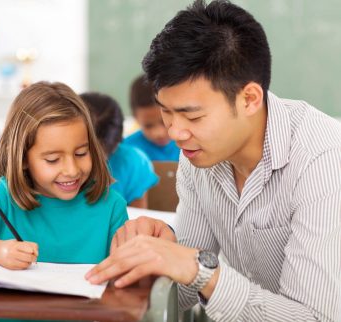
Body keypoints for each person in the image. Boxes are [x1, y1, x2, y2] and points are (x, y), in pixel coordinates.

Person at [85, 1, 341, 321]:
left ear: (249, 99)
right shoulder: (201, 155)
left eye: (192, 115)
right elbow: (186, 291)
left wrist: (197, 269)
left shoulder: (325, 161)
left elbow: (316, 318)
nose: (176, 132)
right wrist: (162, 250)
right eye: (166, 112)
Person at [0, 81, 128, 271]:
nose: (72, 170)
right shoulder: (4, 199)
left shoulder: (112, 207)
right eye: (53, 159)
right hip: (9, 309)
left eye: (81, 153)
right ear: (22, 158)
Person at [80, 92, 159, 208]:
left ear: (118, 142)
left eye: (99, 156)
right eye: (80, 153)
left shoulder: (134, 162)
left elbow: (137, 217)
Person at [123, 74, 180, 161]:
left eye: (164, 122)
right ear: (135, 118)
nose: (159, 133)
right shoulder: (126, 150)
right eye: (148, 126)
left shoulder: (191, 143)